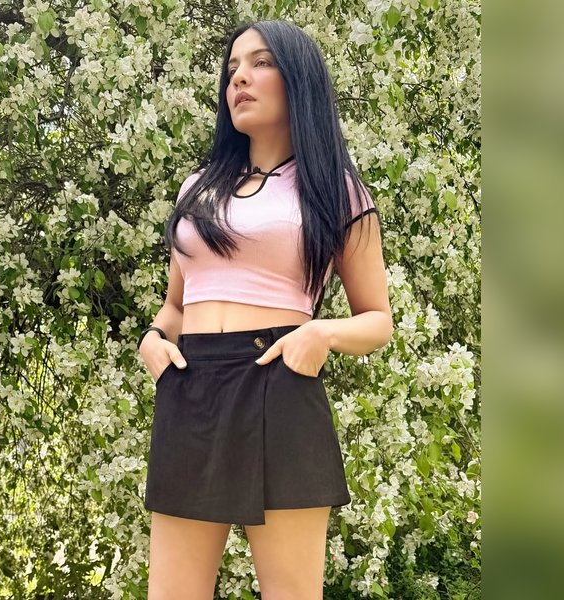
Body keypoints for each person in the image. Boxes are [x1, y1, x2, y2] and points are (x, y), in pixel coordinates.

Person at [137, 19, 393, 600]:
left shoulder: (334, 189)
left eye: (260, 63)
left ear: (298, 79)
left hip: (280, 383)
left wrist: (321, 335)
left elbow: (377, 319)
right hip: (192, 388)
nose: (239, 79)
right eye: (232, 69)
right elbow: (176, 304)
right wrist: (153, 338)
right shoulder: (197, 189)